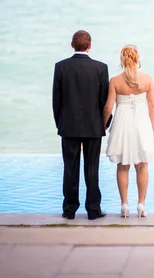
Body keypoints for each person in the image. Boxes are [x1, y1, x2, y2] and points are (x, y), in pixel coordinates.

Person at [53, 30, 109, 220]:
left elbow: (56, 100)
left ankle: (69, 209)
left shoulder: (61, 67)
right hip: (94, 126)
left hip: (68, 126)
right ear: (90, 46)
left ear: (72, 45)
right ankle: (93, 210)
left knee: (70, 168)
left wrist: (59, 123)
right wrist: (105, 123)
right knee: (92, 168)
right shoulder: (100, 68)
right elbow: (104, 101)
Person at [103, 45, 154, 218]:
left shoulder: (115, 81)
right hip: (141, 123)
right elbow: (152, 105)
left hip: (122, 124)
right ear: (138, 58)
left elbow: (108, 107)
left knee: (122, 166)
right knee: (142, 165)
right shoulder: (147, 79)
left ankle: (124, 205)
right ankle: (141, 204)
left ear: (122, 59)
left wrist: (104, 125)